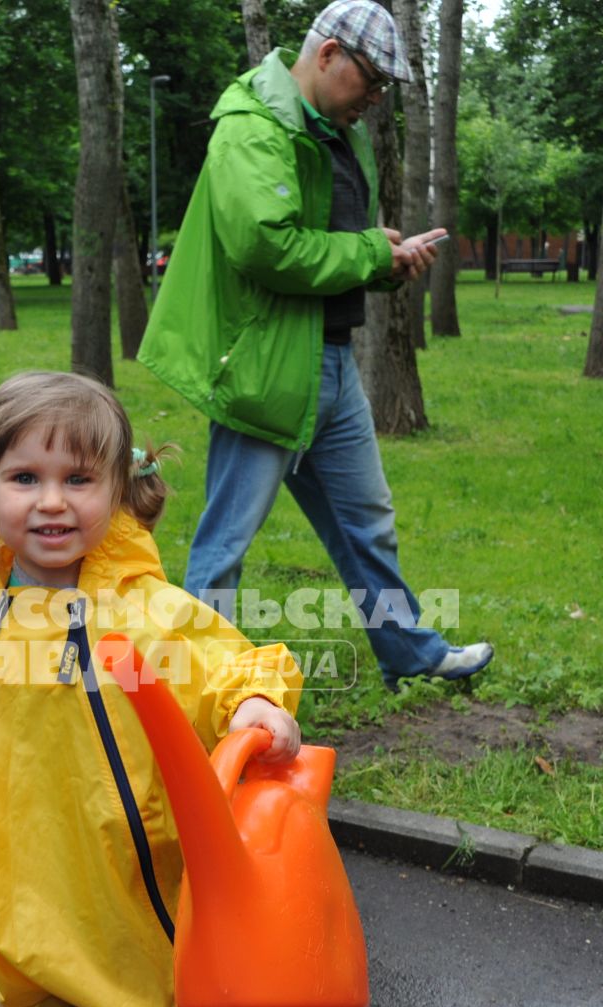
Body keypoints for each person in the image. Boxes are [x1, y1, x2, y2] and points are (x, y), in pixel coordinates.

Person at [0, 371, 302, 1007]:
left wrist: (253, 700)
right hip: (11, 883)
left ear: (116, 489)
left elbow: (222, 660)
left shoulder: (141, 612)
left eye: (78, 478)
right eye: (24, 477)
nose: (50, 501)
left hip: (118, 883)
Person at [138, 0, 495, 691]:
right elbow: (263, 245)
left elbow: (334, 244)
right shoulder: (252, 127)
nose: (376, 98)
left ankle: (410, 655)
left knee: (368, 523)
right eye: (371, 79)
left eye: (386, 86)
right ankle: (192, 681)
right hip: (270, 367)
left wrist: (387, 261)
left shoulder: (337, 132)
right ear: (327, 54)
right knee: (226, 541)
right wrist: (367, 254)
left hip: (332, 364)